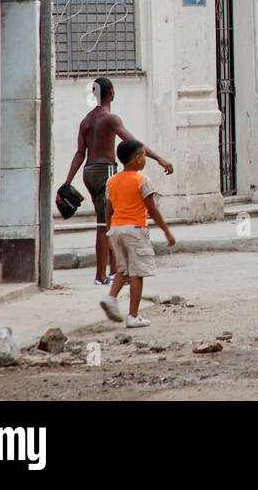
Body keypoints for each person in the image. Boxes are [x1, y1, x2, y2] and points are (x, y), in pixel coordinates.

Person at [63, 77, 173, 285]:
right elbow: (132, 144)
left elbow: (80, 153)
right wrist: (159, 158)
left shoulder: (85, 121)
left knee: (104, 222)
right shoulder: (111, 119)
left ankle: (112, 272)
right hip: (106, 170)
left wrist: (67, 181)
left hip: (89, 171)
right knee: (108, 223)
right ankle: (102, 275)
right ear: (111, 92)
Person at [99, 139, 175, 328]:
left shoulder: (112, 181)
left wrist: (109, 232)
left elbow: (108, 210)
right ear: (137, 159)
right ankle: (133, 316)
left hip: (116, 229)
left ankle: (111, 298)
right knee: (137, 273)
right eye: (143, 155)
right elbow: (153, 210)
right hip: (135, 229)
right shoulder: (142, 181)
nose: (145, 159)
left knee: (123, 270)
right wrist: (167, 232)